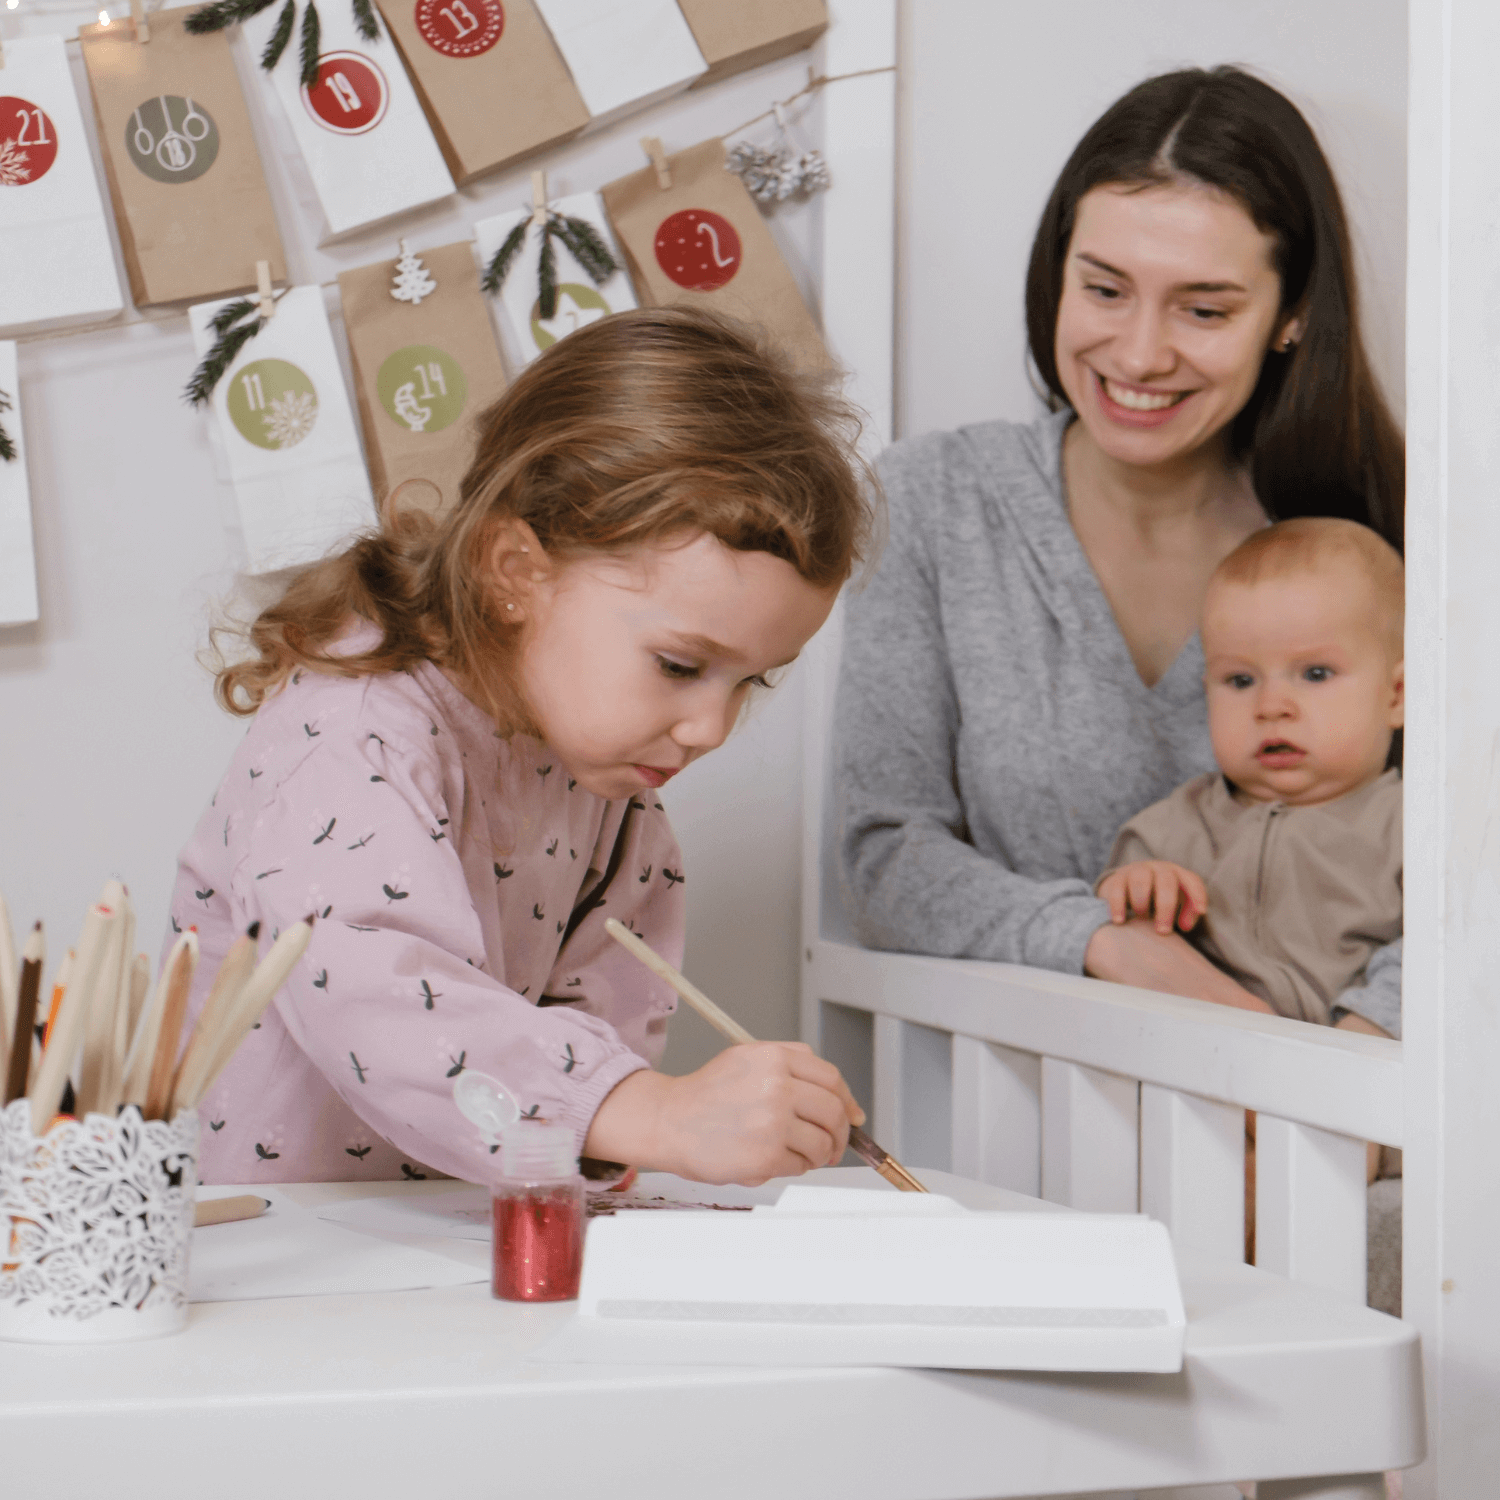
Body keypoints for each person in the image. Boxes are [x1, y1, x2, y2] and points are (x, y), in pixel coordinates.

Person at [171, 307, 872, 1187]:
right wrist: (650, 1113)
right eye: (680, 664)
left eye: (750, 682)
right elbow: (367, 987)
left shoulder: (610, 786)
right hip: (269, 1251)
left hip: (446, 1256)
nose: (710, 729)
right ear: (516, 573)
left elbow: (597, 1033)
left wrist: (634, 1128)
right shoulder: (353, 732)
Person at [837, 66, 1403, 1032]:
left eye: (1205, 309)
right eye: (1104, 288)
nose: (1139, 355)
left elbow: (1469, 880)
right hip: (1027, 1116)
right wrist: (1112, 946)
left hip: (1334, 1147)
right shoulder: (939, 500)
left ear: (1292, 315)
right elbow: (887, 854)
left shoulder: (1371, 546)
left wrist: (1346, 1077)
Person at [1097, 517, 1403, 1038]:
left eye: (1315, 674)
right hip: (1193, 1085)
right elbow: (1112, 923)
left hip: (1348, 1091)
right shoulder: (1178, 825)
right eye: (1240, 680)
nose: (1271, 706)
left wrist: (1373, 1029)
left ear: (1396, 696)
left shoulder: (1411, 827)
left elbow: (1451, 951)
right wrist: (1134, 886)